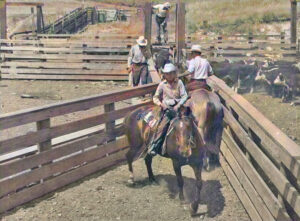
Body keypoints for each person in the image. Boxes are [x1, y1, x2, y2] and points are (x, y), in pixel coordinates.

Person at [148, 63, 188, 156]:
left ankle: (193, 142)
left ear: (174, 73)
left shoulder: (179, 83)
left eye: (170, 73)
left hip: (178, 108)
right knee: (162, 126)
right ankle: (155, 144)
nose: (168, 75)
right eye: (167, 73)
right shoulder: (162, 84)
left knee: (189, 122)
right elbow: (155, 97)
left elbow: (184, 95)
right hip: (167, 109)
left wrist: (178, 105)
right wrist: (161, 104)